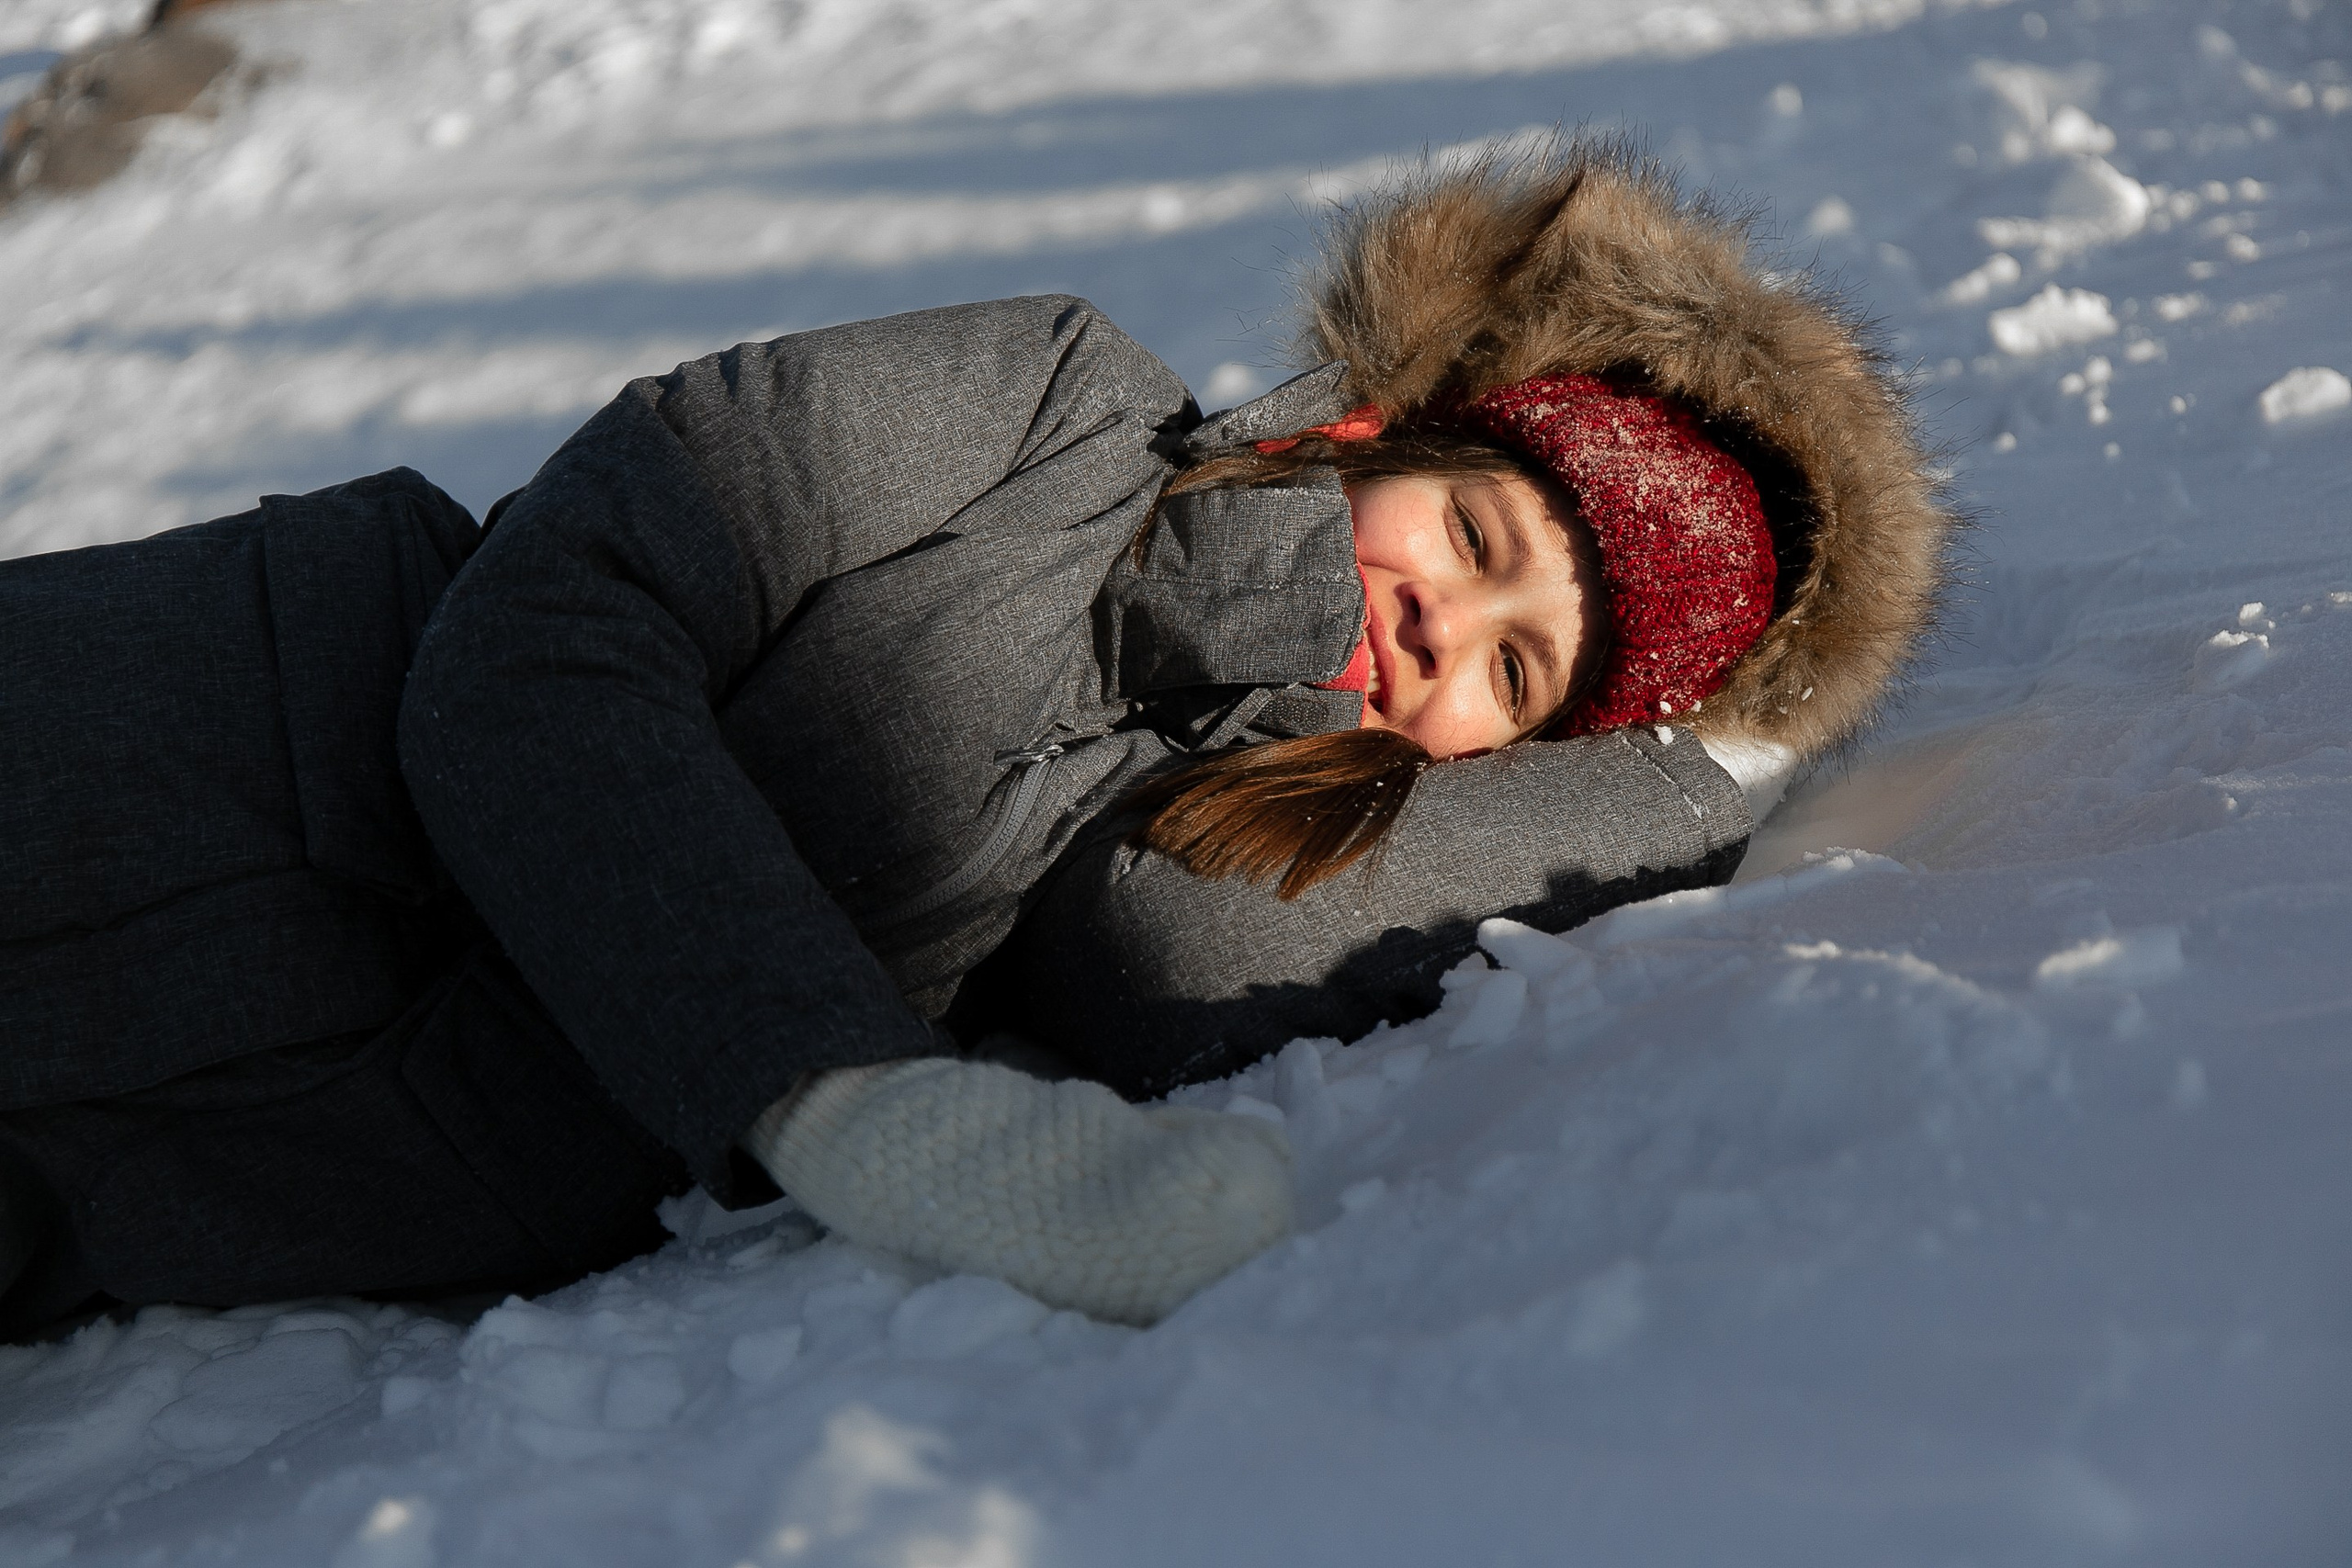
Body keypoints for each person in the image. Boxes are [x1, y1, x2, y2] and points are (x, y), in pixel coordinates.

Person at [0, 138, 1951, 1335]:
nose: (1453, 623)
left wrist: (1701, 772)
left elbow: (1187, 954)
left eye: (1516, 679)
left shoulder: (1205, 827)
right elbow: (548, 637)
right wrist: (841, 1101)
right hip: (176, 727)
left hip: (186, 1165)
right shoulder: (1053, 398)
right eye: (1479, 540)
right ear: (1385, 434)